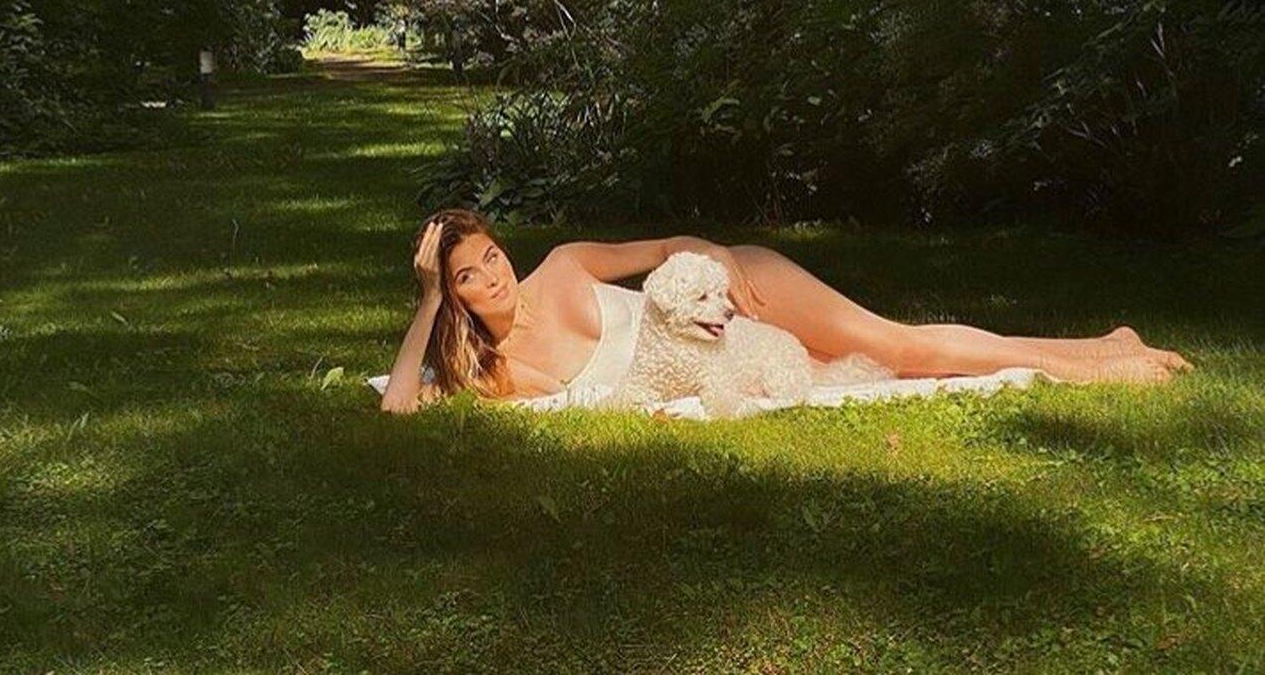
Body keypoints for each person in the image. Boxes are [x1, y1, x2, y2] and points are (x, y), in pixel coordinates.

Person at [379, 208, 1192, 413]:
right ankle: (1101, 343)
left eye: (492, 256)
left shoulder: (563, 267)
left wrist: (722, 257)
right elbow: (399, 410)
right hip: (731, 355)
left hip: (739, 295)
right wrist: (425, 299)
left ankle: (1092, 366)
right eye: (468, 277)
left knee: (900, 348)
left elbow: (669, 245)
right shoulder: (499, 372)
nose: (494, 276)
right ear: (454, 297)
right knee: (894, 365)